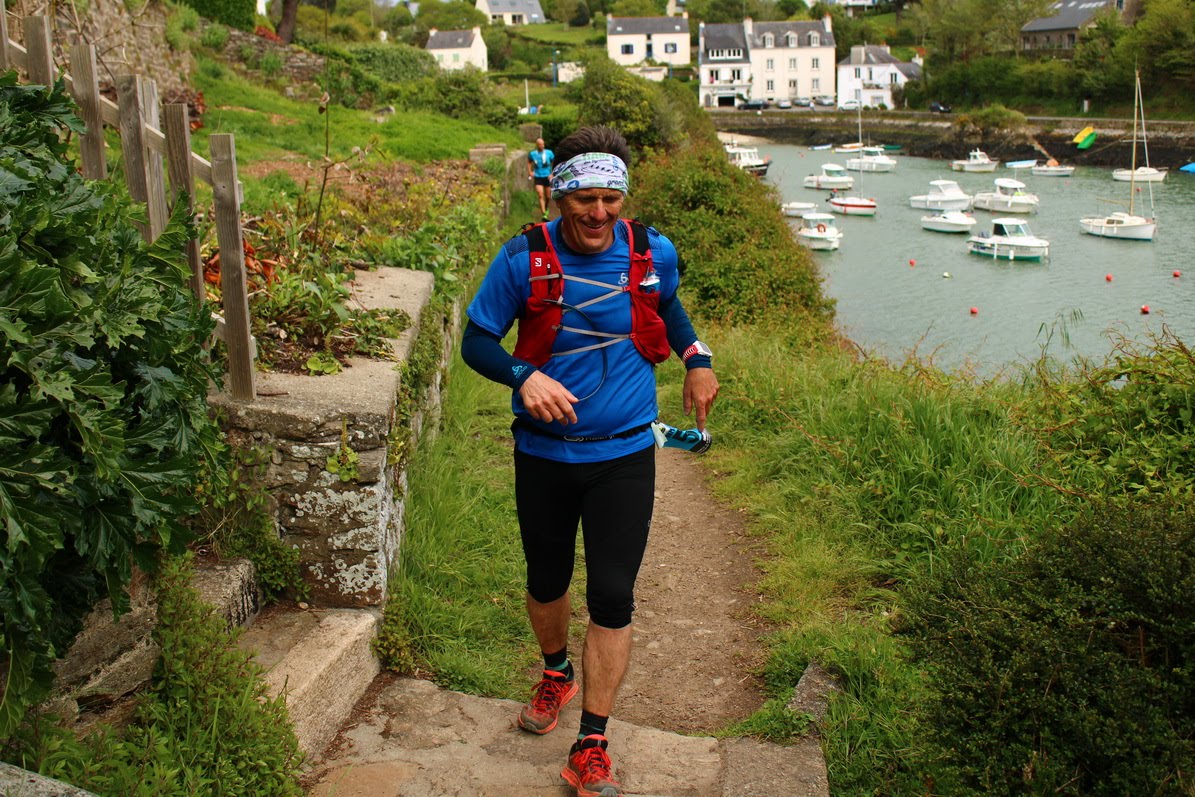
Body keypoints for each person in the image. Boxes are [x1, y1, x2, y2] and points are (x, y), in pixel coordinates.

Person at [461, 125, 719, 797]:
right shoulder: (522, 258)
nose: (599, 214)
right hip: (543, 453)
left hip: (625, 455)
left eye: (611, 199)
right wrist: (523, 375)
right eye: (584, 200)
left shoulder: (651, 249)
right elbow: (476, 340)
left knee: (611, 594)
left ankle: (593, 740)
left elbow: (668, 305)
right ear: (558, 197)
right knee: (546, 581)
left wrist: (696, 358)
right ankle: (556, 671)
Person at [527, 137, 555, 221]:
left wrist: (552, 173)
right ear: (537, 145)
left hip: (547, 176)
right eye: (540, 144)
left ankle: (546, 207)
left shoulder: (549, 153)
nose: (542, 146)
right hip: (538, 176)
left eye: (543, 144)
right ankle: (544, 214)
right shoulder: (533, 154)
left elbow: (554, 162)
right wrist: (530, 172)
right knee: (540, 194)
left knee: (548, 196)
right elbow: (529, 162)